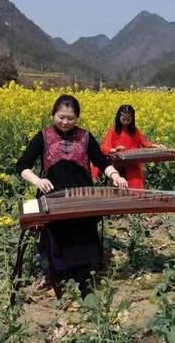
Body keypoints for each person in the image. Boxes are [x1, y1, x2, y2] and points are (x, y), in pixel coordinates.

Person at [17, 94, 128, 297]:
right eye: (61, 117)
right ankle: (57, 276)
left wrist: (115, 176)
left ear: (77, 118)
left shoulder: (85, 136)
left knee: (83, 238)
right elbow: (22, 165)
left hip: (82, 197)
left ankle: (84, 279)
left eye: (71, 118)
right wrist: (38, 181)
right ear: (53, 114)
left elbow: (101, 162)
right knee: (55, 237)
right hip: (53, 197)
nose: (65, 122)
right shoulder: (43, 136)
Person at [93, 104, 166, 189]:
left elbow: (145, 142)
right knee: (118, 185)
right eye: (123, 119)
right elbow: (104, 147)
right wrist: (114, 149)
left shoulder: (135, 130)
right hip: (117, 163)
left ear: (133, 119)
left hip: (132, 163)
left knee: (136, 184)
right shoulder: (113, 130)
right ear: (118, 117)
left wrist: (157, 146)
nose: (126, 122)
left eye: (128, 120)